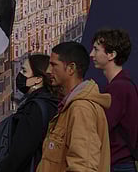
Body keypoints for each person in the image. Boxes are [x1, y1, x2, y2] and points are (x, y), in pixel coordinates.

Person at [37, 41, 111, 172]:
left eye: (54, 65)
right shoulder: (71, 106)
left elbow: (83, 166)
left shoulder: (81, 109)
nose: (48, 71)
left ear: (71, 68)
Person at [0, 54, 59, 172]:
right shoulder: (52, 101)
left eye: (24, 71)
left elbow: (21, 151)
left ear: (38, 79)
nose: (20, 74)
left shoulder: (34, 108)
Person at [90, 29, 138, 172]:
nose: (92, 54)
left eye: (96, 49)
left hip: (117, 164)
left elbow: (102, 127)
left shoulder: (118, 88)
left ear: (111, 55)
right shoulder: (123, 85)